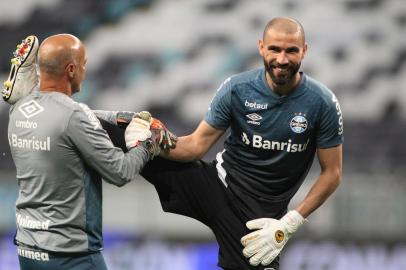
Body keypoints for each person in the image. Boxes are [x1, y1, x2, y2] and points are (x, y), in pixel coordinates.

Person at [115, 16, 342, 270]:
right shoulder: (237, 89)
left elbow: (332, 173)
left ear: (305, 51)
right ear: (261, 48)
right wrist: (156, 141)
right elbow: (195, 146)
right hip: (217, 186)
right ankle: (81, 118)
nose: (282, 59)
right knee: (122, 129)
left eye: (291, 50)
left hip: (258, 219)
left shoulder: (322, 103)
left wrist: (291, 222)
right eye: (274, 49)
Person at [6, 34, 164, 270]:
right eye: (84, 63)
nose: (85, 69)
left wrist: (115, 117)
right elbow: (120, 171)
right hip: (71, 256)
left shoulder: (19, 109)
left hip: (28, 250)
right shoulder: (74, 116)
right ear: (71, 69)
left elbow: (61, 116)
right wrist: (148, 144)